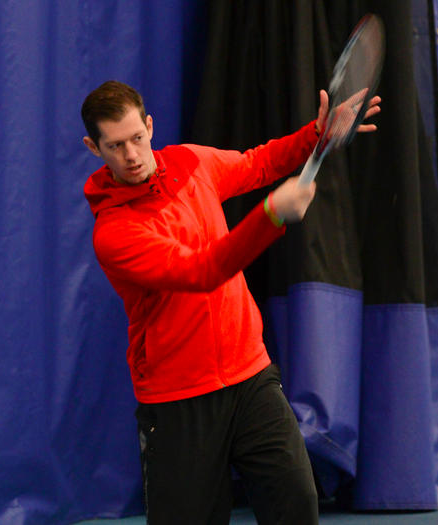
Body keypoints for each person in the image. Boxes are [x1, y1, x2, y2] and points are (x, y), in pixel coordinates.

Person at [82, 80, 380, 524]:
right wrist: (272, 214)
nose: (131, 156)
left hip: (250, 376)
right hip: (179, 400)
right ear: (94, 148)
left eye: (137, 139)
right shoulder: (115, 233)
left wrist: (317, 135)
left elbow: (256, 164)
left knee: (296, 504)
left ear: (149, 125)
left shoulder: (190, 162)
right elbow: (200, 270)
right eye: (115, 146)